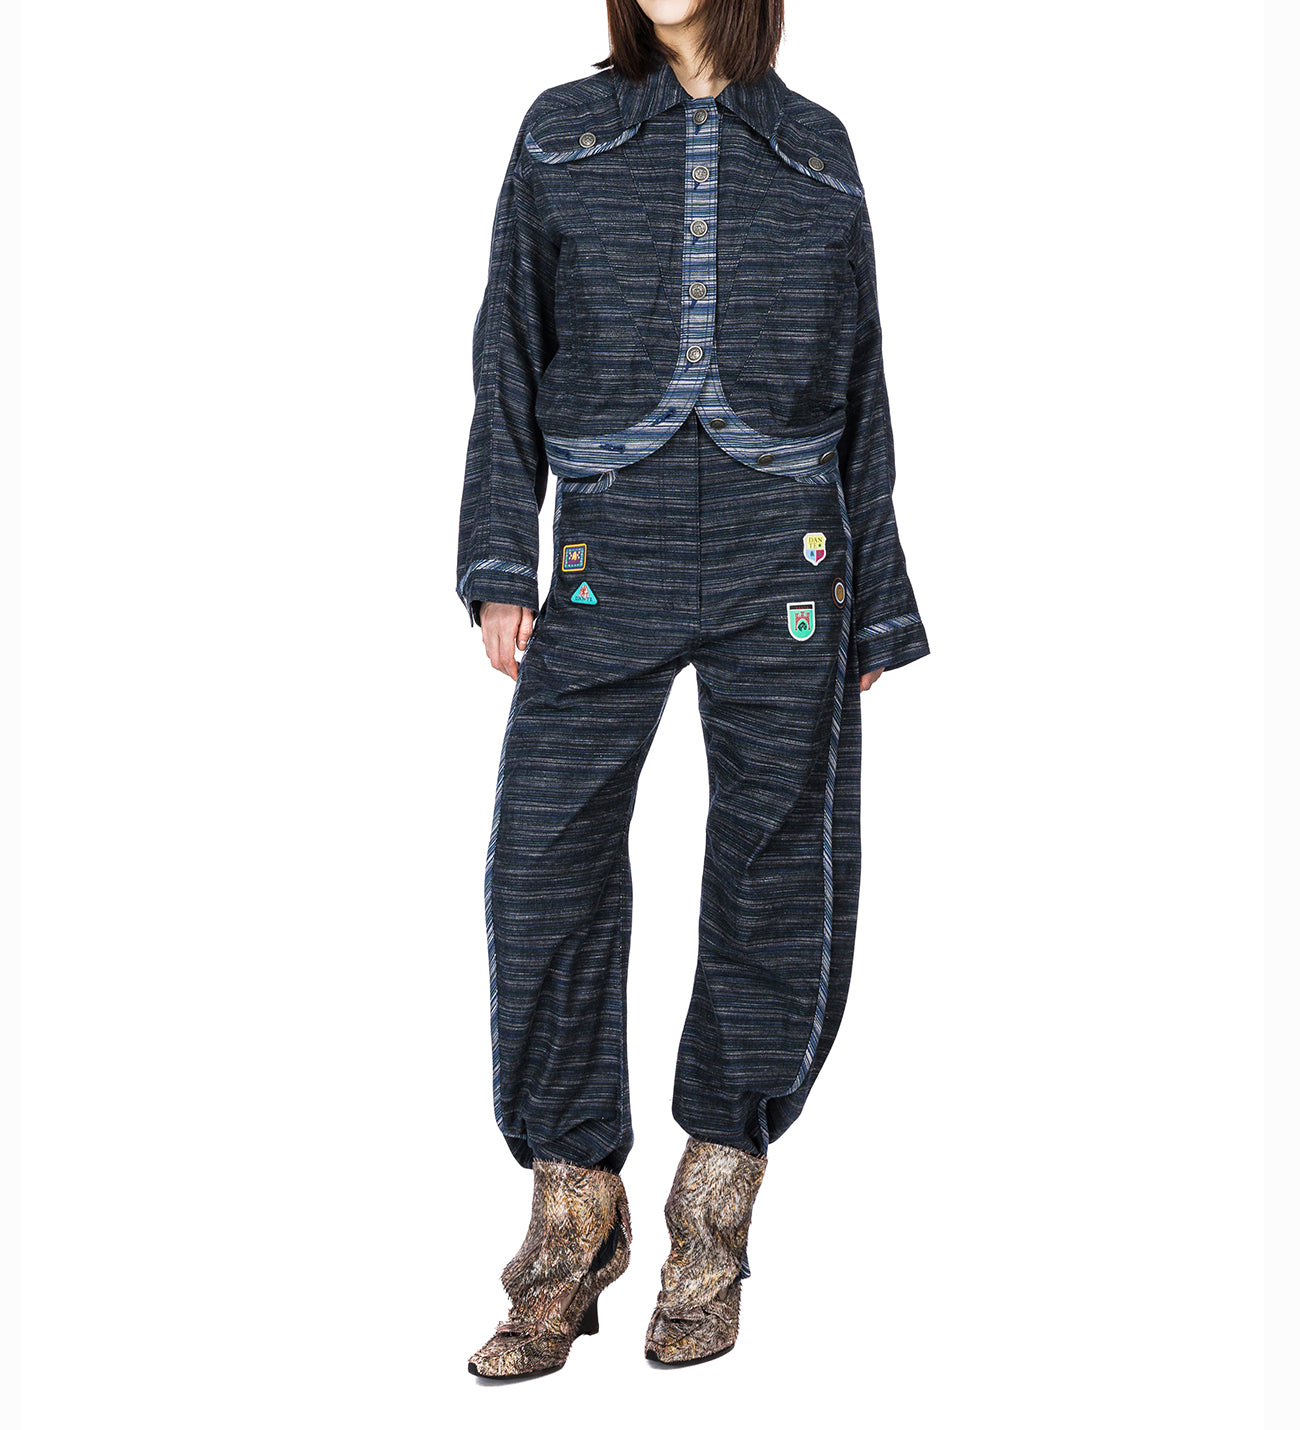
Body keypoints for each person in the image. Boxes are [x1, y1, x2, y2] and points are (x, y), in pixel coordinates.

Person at [456, 0, 929, 1378]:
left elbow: (862, 384)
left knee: (779, 868)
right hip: (610, 544)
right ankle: (572, 1215)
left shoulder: (817, 150)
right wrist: (501, 559)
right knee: (543, 857)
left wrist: (876, 598)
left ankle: (712, 1219)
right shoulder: (562, 131)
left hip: (791, 550)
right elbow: (506, 353)